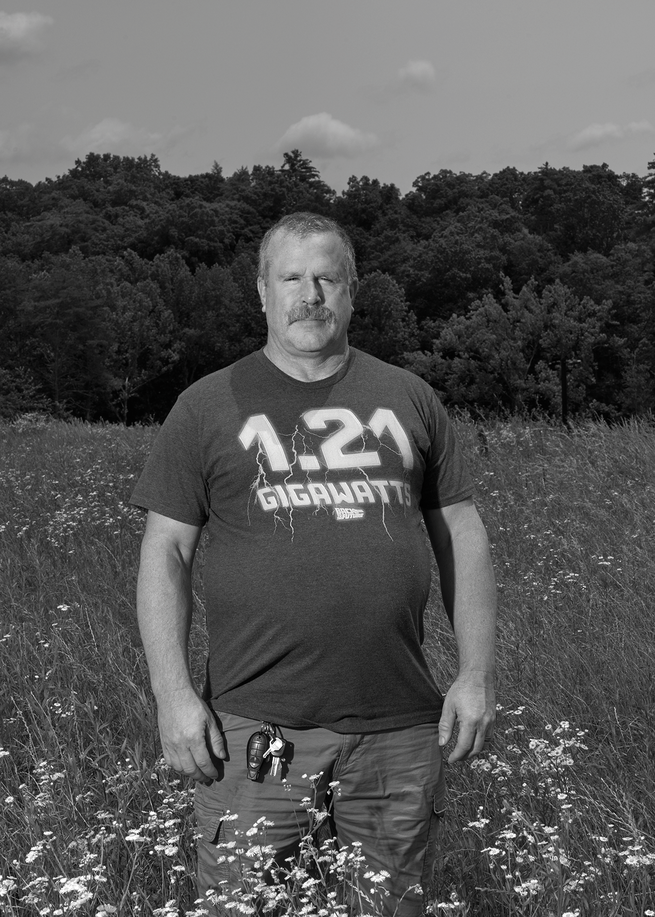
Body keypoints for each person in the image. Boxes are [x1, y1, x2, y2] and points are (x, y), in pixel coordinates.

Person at [131, 212, 497, 916]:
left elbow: (462, 532)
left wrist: (475, 675)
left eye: (327, 277)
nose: (310, 294)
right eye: (290, 277)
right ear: (261, 292)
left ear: (353, 291)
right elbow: (166, 550)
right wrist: (172, 696)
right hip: (250, 727)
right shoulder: (205, 405)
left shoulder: (409, 396)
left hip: (397, 727)